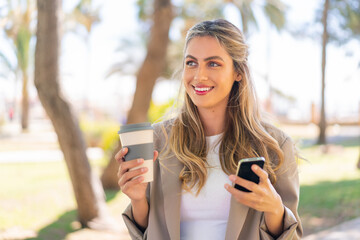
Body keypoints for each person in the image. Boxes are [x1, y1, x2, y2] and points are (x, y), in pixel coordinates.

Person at [116, 19, 303, 240]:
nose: (199, 76)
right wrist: (137, 199)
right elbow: (147, 230)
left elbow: (291, 235)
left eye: (213, 64)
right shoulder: (157, 140)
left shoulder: (275, 145)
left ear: (238, 72)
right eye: (191, 63)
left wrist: (274, 209)